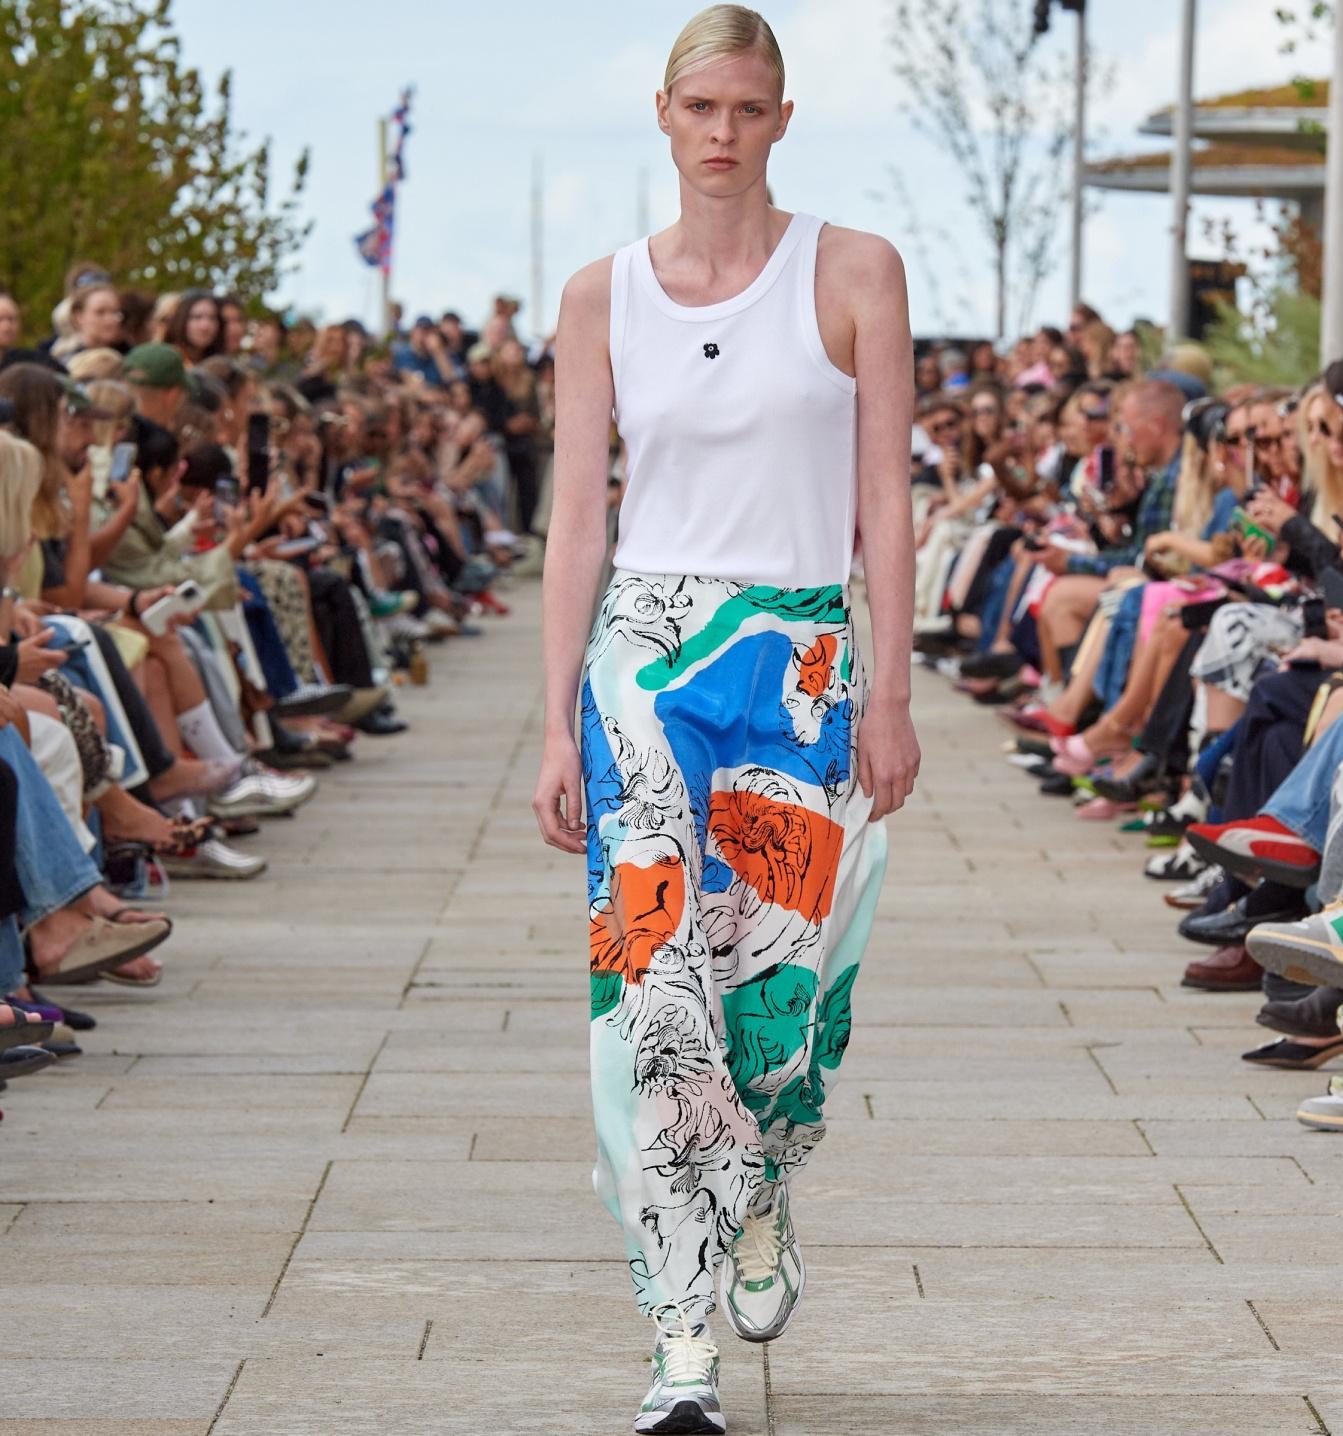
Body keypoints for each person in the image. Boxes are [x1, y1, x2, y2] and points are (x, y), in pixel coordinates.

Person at [531, 6, 919, 1432]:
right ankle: (679, 1336)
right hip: (644, 653)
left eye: (748, 109)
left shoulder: (856, 273)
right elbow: (578, 517)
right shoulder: (601, 295)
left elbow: (888, 502)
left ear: (781, 117)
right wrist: (554, 716)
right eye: (701, 106)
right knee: (646, 996)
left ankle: (762, 1187)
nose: (722, 132)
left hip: (800, 654)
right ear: (662, 110)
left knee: (776, 1002)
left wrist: (893, 685)